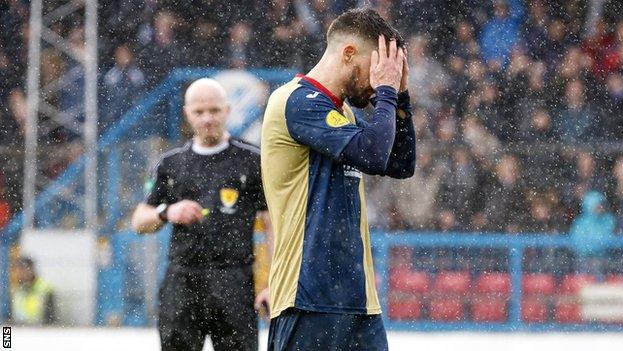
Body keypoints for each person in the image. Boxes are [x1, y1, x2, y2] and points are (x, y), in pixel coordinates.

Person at [261, 8, 415, 350]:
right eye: (374, 68)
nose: (377, 80)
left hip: (358, 300)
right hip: (308, 297)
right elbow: (372, 154)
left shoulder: (341, 113)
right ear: (348, 53)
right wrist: (387, 93)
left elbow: (400, 164)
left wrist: (400, 97)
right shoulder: (295, 100)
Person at [131, 78, 271, 351]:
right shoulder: (170, 165)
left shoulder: (253, 162)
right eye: (199, 112)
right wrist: (167, 211)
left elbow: (272, 225)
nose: (207, 118)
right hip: (182, 281)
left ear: (227, 110)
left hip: (234, 280)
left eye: (214, 110)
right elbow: (138, 220)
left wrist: (272, 283)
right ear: (187, 114)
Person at [570, 191, 616, 281]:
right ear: (589, 205)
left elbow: (614, 240)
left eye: (601, 204)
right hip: (584, 259)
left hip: (606, 258)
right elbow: (577, 243)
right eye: (597, 205)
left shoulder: (609, 220)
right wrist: (592, 252)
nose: (600, 207)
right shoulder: (580, 222)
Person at [10, 256, 56, 325]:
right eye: (19, 270)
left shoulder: (45, 289)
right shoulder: (16, 291)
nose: (21, 273)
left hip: (40, 331)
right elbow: (10, 318)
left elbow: (50, 318)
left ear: (32, 269)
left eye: (24, 269)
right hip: (20, 331)